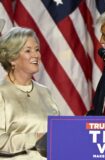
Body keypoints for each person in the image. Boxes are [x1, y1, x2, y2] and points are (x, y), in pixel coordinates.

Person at [0, 26, 59, 159]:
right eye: (28, 50)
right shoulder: (1, 93)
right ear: (12, 58)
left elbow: (56, 135)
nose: (36, 55)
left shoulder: (45, 92)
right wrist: (35, 138)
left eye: (37, 50)